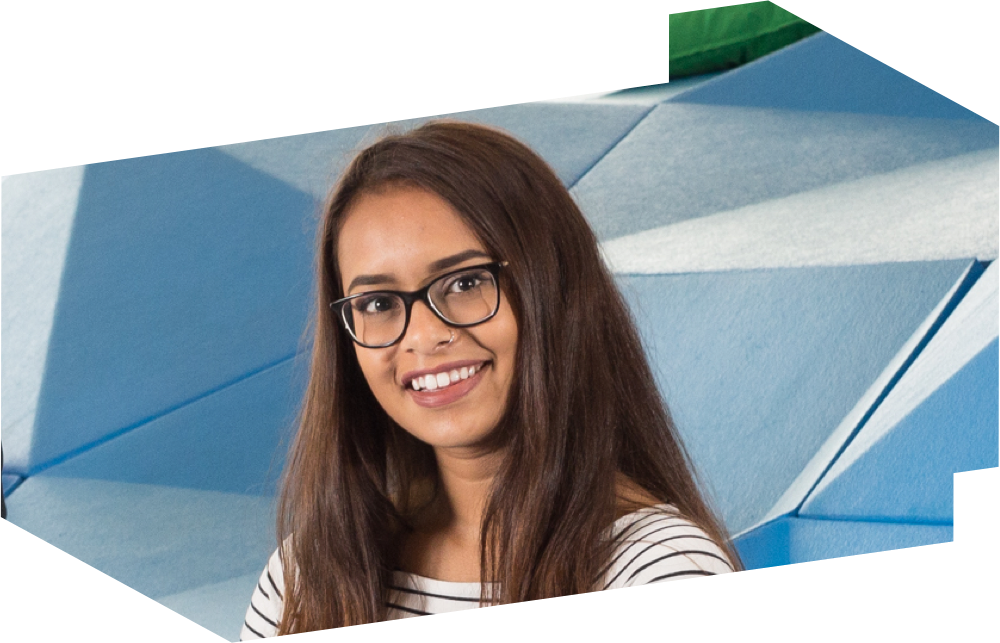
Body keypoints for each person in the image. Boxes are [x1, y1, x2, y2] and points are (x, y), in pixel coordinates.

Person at [240, 121, 740, 638]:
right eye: (379, 303)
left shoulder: (658, 566)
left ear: (554, 288)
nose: (424, 336)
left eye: (465, 282)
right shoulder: (304, 576)